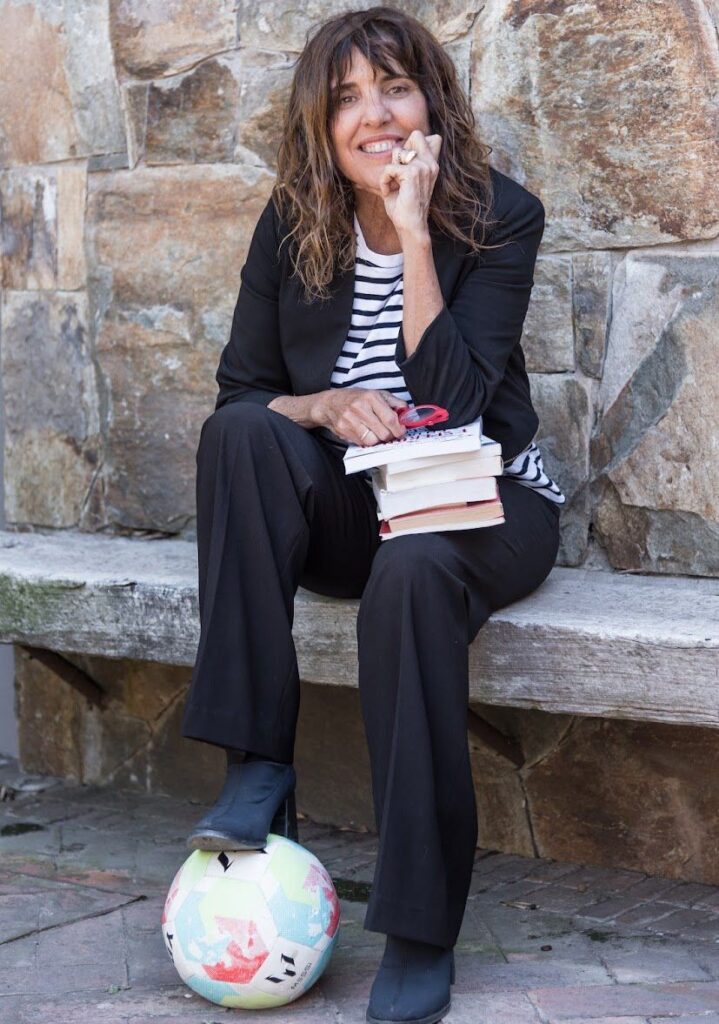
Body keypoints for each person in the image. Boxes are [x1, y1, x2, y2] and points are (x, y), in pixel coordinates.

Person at [181, 7, 564, 1023]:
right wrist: (318, 406)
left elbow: (458, 398)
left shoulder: (501, 215)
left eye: (394, 86)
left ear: (429, 101)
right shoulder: (290, 222)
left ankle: (419, 928)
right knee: (246, 438)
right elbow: (240, 394)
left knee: (412, 574)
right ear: (321, 121)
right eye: (347, 96)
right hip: (358, 501)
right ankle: (257, 767)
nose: (374, 114)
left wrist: (409, 231)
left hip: (480, 501)